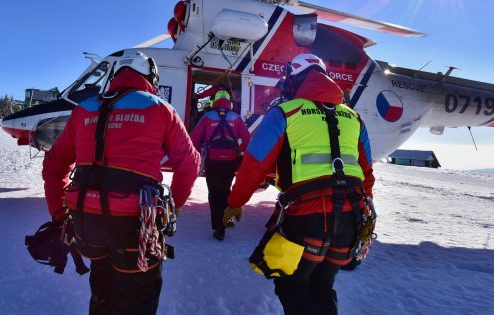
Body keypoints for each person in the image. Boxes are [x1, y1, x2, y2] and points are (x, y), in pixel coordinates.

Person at [42, 49, 200, 315]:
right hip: (136, 224)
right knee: (138, 297)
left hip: (86, 222)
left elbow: (53, 166)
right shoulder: (160, 108)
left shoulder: (84, 110)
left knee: (102, 286)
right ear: (150, 76)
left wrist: (59, 214)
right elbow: (190, 165)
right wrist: (174, 208)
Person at [224, 53, 375, 314]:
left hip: (306, 218)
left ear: (294, 80)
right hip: (350, 219)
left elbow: (254, 166)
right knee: (323, 287)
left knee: (291, 285)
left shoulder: (284, 113)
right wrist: (364, 212)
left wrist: (235, 203)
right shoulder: (354, 118)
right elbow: (366, 173)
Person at [190, 89, 250, 240]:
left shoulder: (207, 117)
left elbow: (193, 140)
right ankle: (227, 217)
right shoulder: (236, 117)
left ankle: (219, 227)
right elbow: (247, 140)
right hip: (231, 161)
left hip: (212, 160)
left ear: (214, 101)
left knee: (214, 193)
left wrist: (196, 157)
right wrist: (241, 154)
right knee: (225, 190)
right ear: (229, 101)